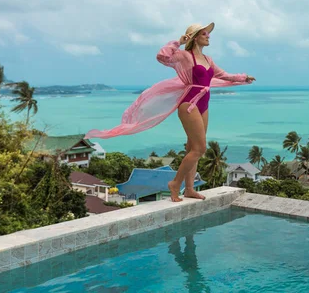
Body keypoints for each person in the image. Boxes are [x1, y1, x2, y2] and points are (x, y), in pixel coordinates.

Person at [85, 22, 254, 201]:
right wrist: (178, 42)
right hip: (189, 104)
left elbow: (224, 75)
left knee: (192, 147)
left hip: (204, 103)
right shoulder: (185, 56)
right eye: (204, 33)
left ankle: (189, 189)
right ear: (195, 37)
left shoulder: (209, 60)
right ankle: (175, 183)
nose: (208, 36)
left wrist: (243, 78)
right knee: (200, 148)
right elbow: (162, 57)